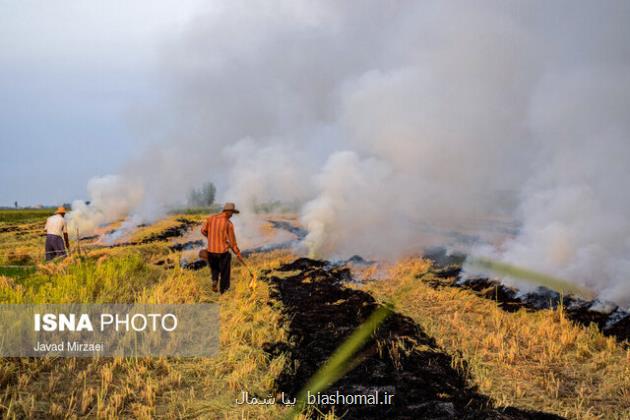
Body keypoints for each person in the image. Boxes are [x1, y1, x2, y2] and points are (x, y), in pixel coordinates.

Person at [200, 202, 242, 293]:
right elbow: (232, 242)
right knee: (225, 272)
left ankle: (215, 280)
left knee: (215, 268)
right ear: (228, 211)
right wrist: (237, 253)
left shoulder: (210, 219)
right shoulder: (228, 223)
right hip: (222, 253)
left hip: (211, 251)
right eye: (232, 213)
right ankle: (224, 291)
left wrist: (210, 237)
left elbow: (203, 230)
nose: (232, 215)